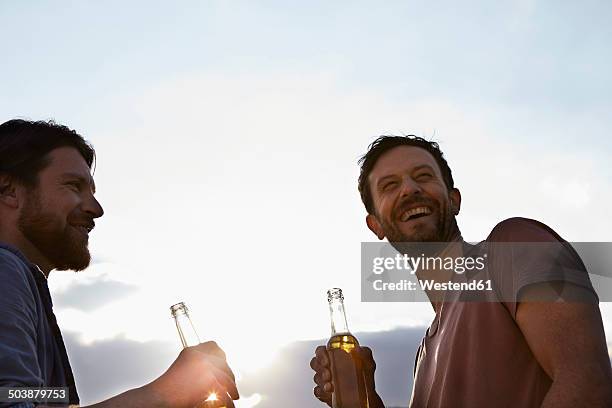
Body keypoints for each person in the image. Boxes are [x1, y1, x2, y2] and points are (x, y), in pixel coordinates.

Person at [310, 135, 612, 407]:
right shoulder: (424, 356)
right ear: (375, 225)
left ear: (454, 200)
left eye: (423, 176)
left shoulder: (513, 245)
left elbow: (588, 385)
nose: (410, 189)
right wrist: (367, 399)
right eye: (390, 185)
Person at [0, 119, 239, 408]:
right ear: (8, 190)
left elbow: (24, 398)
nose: (96, 209)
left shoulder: (23, 284)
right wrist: (163, 394)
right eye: (74, 186)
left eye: (93, 192)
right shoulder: (5, 269)